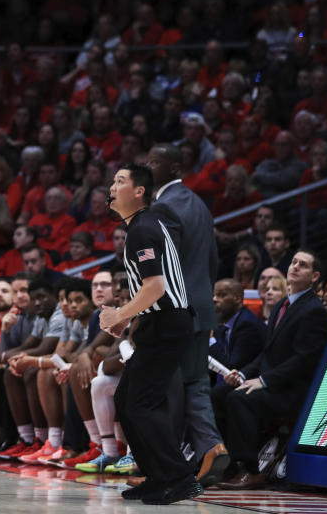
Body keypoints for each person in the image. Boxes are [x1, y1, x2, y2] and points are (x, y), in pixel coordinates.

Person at [98, 164, 202, 505]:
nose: (112, 186)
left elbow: (156, 288)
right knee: (127, 402)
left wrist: (119, 313)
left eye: (120, 181)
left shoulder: (143, 228)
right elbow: (152, 291)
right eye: (113, 181)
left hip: (169, 324)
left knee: (141, 403)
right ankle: (158, 476)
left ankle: (180, 477)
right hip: (161, 323)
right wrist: (126, 321)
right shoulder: (143, 226)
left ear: (139, 191)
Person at [145, 143, 228, 486]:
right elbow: (212, 262)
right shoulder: (200, 206)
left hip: (175, 312)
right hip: (200, 309)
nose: (147, 167)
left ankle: (167, 467)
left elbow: (163, 269)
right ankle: (212, 446)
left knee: (165, 388)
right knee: (194, 383)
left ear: (175, 168)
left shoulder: (164, 206)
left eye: (155, 162)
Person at [213, 250, 327, 490]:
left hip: (295, 391)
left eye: (303, 265)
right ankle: (231, 464)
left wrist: (263, 380)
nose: (295, 267)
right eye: (294, 262)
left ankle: (251, 470)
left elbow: (303, 360)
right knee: (218, 395)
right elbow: (267, 353)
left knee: (239, 400)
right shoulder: (281, 306)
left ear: (314, 276)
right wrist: (244, 374)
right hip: (274, 384)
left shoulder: (314, 310)